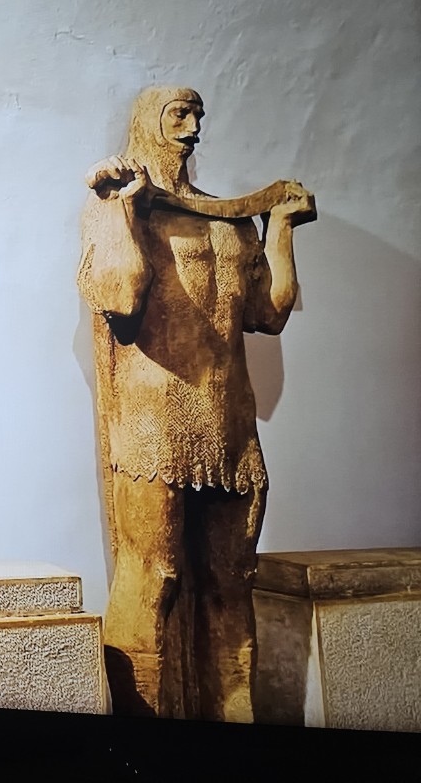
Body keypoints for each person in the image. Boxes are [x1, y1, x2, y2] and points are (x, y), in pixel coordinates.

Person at [78, 86, 313, 721]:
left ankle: (234, 731)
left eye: (198, 114)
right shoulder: (119, 203)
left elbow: (268, 315)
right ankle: (141, 742)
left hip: (229, 424)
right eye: (178, 114)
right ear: (148, 122)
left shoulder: (231, 222)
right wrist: (121, 212)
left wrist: (282, 229)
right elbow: (119, 295)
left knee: (232, 584)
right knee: (151, 577)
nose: (192, 127)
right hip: (153, 424)